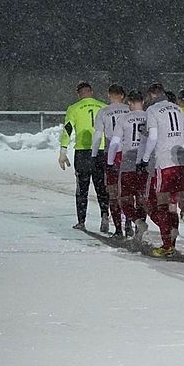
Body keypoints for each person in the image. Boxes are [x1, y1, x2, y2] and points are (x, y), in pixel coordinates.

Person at [136, 82, 184, 258]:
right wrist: (177, 142)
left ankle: (167, 245)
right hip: (181, 160)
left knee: (163, 204)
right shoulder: (177, 109)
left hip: (166, 162)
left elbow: (152, 136)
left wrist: (145, 159)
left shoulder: (153, 111)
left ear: (153, 96)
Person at [59, 81, 108, 231]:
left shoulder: (73, 108)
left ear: (79, 94)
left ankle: (81, 221)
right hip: (100, 150)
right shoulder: (103, 107)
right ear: (91, 92)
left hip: (83, 151)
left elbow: (67, 129)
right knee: (102, 187)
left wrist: (63, 150)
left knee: (82, 188)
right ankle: (105, 215)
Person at [107, 89, 149, 245]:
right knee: (141, 199)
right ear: (143, 102)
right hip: (145, 163)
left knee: (124, 199)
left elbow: (115, 143)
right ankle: (139, 233)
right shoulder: (149, 117)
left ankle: (137, 222)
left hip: (129, 162)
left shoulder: (125, 118)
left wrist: (110, 163)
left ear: (129, 103)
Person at [91, 83, 131, 237]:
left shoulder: (103, 112)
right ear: (122, 96)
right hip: (128, 155)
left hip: (112, 155)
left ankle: (118, 229)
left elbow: (97, 136)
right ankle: (129, 222)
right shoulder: (129, 110)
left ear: (109, 95)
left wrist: (94, 155)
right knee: (128, 191)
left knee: (113, 193)